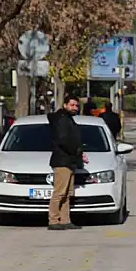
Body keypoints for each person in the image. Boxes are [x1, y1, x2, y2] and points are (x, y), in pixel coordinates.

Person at [47, 95, 88, 230]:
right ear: (65, 105)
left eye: (76, 105)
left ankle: (65, 220)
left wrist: (79, 154)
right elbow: (64, 140)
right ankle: (53, 220)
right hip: (62, 160)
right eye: (72, 105)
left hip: (69, 161)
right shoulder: (62, 119)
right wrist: (76, 152)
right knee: (59, 193)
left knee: (66, 193)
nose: (74, 108)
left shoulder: (68, 119)